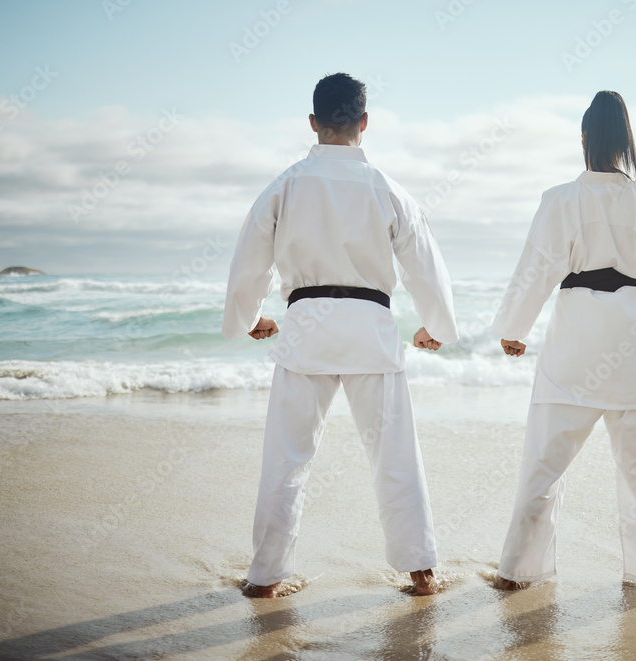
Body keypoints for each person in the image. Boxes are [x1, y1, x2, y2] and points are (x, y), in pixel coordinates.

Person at [222, 73, 459, 598]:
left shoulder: (285, 185)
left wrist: (249, 318)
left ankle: (264, 578)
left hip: (306, 332)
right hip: (370, 333)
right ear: (364, 123)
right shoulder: (388, 188)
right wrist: (435, 326)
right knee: (395, 457)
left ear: (313, 123)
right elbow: (425, 266)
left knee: (286, 461)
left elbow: (249, 262)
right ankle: (422, 573)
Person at [492, 90, 636, 592]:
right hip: (630, 338)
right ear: (626, 140)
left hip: (575, 341)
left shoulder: (560, 199)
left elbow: (537, 268)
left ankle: (519, 573)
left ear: (583, 137)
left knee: (543, 467)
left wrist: (513, 330)